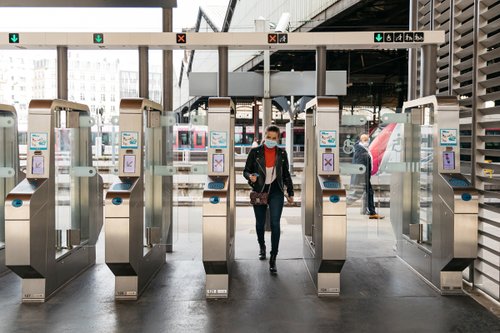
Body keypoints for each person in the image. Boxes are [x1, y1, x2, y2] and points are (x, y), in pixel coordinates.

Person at [243, 125, 294, 274]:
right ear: (264, 136)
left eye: (274, 138)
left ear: (278, 138)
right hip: (259, 191)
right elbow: (246, 170)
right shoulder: (255, 152)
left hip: (276, 192)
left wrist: (290, 192)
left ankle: (273, 257)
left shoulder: (282, 153)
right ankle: (262, 246)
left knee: (275, 223)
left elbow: (286, 174)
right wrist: (250, 176)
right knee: (260, 224)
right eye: (269, 137)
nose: (271, 140)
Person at [349, 133, 384, 219]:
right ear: (361, 141)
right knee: (356, 195)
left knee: (368, 193)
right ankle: (340, 205)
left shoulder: (364, 149)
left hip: (365, 177)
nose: (367, 141)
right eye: (365, 140)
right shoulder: (360, 150)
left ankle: (371, 212)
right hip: (362, 178)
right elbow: (359, 166)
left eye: (368, 140)